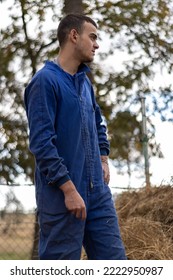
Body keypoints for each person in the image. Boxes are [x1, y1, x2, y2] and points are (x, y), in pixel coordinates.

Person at [24, 13, 126, 260]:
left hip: (98, 196)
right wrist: (68, 189)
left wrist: (103, 158)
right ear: (73, 35)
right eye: (92, 37)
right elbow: (41, 144)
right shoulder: (45, 82)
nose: (96, 44)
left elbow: (97, 122)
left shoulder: (84, 84)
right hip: (62, 198)